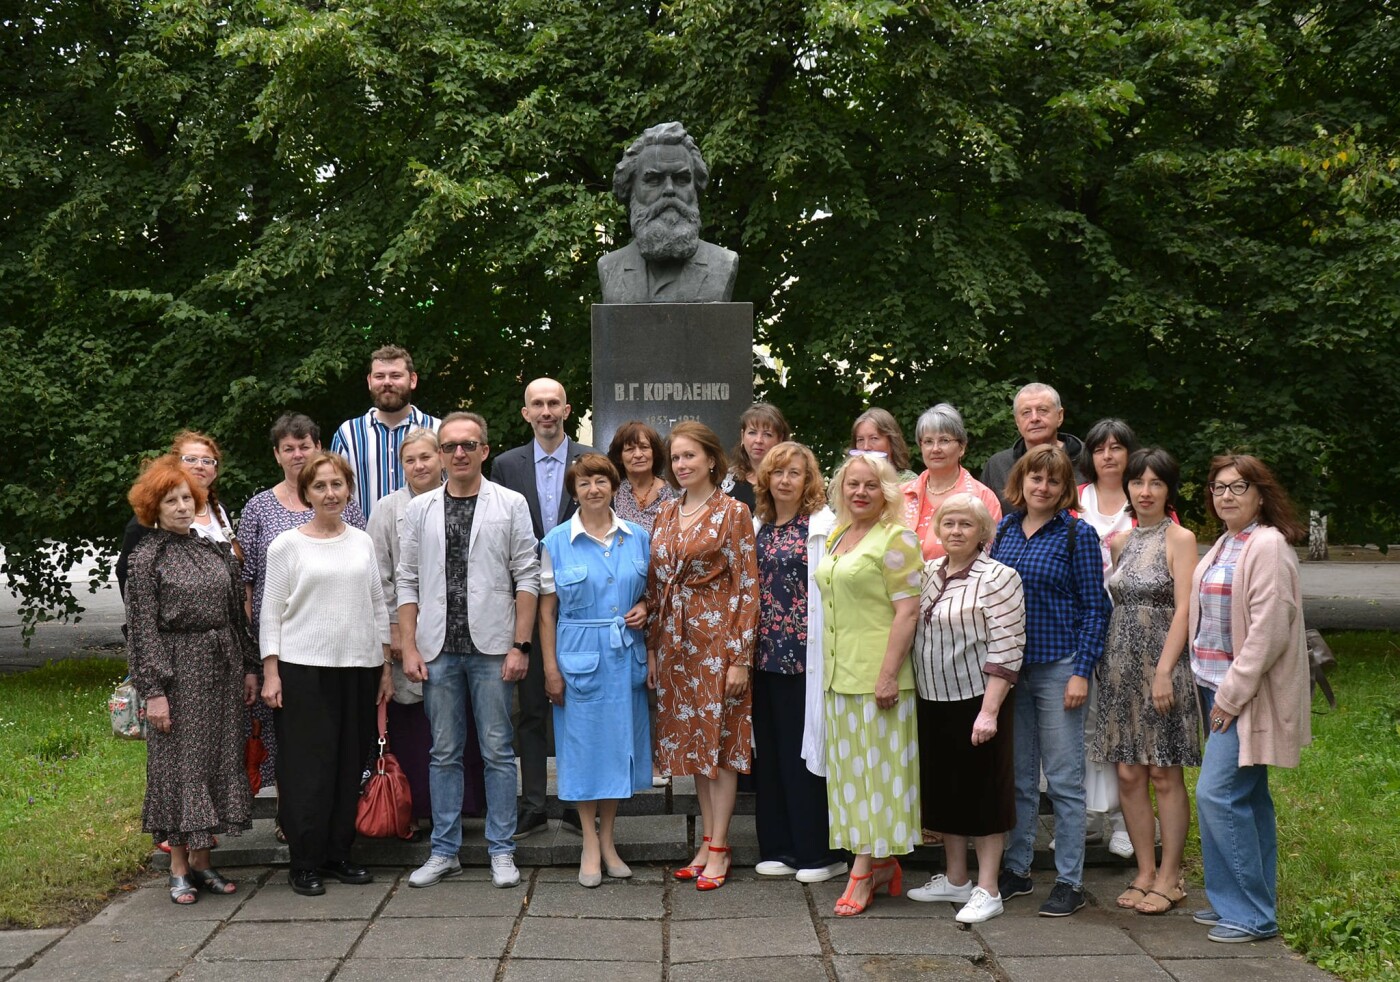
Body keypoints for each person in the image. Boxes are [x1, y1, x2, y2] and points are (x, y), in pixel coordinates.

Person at [397, 412, 541, 890]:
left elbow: (528, 576)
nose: (459, 453)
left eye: (469, 444)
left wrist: (520, 646)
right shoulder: (418, 509)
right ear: (439, 454)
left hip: (494, 649)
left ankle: (502, 850)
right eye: (450, 446)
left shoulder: (511, 503)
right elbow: (407, 581)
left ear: (484, 450)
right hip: (437, 650)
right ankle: (445, 850)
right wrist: (409, 644)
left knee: (499, 751)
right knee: (444, 753)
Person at [124, 456, 259, 904]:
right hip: (177, 672)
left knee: (217, 760)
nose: (182, 507)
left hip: (220, 670)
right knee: (181, 766)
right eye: (171, 500)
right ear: (153, 507)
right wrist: (154, 692)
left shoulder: (211, 547)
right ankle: (178, 867)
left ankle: (203, 863)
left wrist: (248, 667)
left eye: (187, 498)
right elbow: (142, 629)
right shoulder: (147, 557)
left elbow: (233, 617)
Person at [258, 453, 393, 897]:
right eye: (320, 487)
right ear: (307, 493)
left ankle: (339, 854)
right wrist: (271, 672)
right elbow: (270, 613)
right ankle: (305, 861)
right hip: (302, 671)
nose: (330, 493)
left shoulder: (361, 541)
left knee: (347, 764)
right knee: (306, 769)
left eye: (337, 485)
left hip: (358, 667)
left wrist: (385, 664)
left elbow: (377, 604)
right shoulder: (286, 546)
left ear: (349, 489)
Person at [1188, 454, 1309, 943]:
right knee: (1247, 799)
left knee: (1216, 794)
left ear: (1261, 494)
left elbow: (1268, 631)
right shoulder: (1225, 543)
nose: (1226, 496)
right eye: (1218, 488)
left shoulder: (1268, 545)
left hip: (1240, 693)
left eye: (1238, 487)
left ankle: (1253, 915)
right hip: (1211, 682)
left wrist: (1232, 695)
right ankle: (1232, 903)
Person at [989, 445, 1111, 918]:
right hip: (1012, 670)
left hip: (1060, 666)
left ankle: (1069, 880)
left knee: (1063, 779)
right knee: (1018, 778)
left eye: (1053, 481)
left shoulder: (1077, 535)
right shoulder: (1004, 529)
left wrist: (1082, 671)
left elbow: (1094, 608)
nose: (1042, 487)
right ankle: (1017, 870)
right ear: (1021, 482)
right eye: (1035, 479)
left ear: (1065, 490)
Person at [647, 421, 759, 891]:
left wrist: (740, 658)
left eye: (690, 456)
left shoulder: (733, 512)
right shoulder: (666, 513)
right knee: (695, 746)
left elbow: (748, 586)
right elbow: (655, 585)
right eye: (675, 458)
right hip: (676, 642)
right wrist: (654, 645)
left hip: (718, 642)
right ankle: (708, 839)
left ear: (712, 459)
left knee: (721, 745)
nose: (681, 465)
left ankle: (719, 847)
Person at [1091, 448, 1201, 914]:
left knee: (1164, 772)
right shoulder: (1120, 542)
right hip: (1120, 667)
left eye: (1156, 483)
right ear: (1129, 488)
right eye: (1139, 482)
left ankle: (1171, 875)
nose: (1146, 491)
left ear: (1168, 489)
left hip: (1164, 668)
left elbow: (1184, 608)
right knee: (1129, 774)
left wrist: (1163, 671)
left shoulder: (1182, 539)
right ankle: (1144, 870)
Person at [907, 494, 1025, 924]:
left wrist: (989, 711)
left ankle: (988, 887)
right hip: (932, 698)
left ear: (983, 532)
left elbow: (1008, 648)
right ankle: (956, 878)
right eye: (949, 523)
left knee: (985, 794)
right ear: (937, 529)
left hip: (977, 698)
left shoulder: (999, 577)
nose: (956, 531)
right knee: (945, 790)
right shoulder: (927, 574)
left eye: (966, 525)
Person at [814, 452, 923, 916]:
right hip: (840, 675)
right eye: (852, 484)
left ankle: (862, 871)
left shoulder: (897, 538)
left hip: (878, 678)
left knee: (876, 778)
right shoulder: (839, 536)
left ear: (887, 493)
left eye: (871, 486)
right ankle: (880, 864)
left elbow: (908, 610)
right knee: (851, 779)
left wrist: (886, 675)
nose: (860, 492)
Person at [488, 377, 596, 838]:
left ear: (567, 409)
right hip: (526, 599)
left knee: (578, 708)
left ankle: (577, 802)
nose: (546, 411)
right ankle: (533, 802)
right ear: (525, 412)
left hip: (580, 602)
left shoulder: (589, 461)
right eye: (538, 404)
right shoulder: (506, 465)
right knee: (530, 707)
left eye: (554, 403)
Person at [238, 413, 367, 799]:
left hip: (338, 646)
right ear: (277, 455)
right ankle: (288, 812)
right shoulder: (259, 508)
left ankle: (329, 812)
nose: (297, 455)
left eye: (305, 446)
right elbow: (245, 581)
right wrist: (257, 647)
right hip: (279, 644)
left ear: (318, 448)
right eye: (288, 449)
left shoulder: (345, 505)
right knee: (284, 733)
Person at [538, 454, 652, 887]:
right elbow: (546, 614)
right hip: (579, 658)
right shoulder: (556, 541)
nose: (593, 489)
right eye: (584, 483)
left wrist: (643, 606)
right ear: (574, 491)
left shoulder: (637, 537)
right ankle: (589, 841)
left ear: (614, 486)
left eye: (601, 480)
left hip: (625, 656)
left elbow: (650, 594)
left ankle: (610, 841)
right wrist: (550, 668)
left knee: (616, 749)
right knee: (583, 751)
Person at [366, 429, 486, 830]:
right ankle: (413, 809)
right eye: (410, 460)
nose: (419, 466)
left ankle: (463, 808)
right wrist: (396, 629)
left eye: (425, 457)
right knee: (415, 725)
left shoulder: (464, 500)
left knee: (459, 724)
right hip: (407, 636)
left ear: (440, 458)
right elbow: (379, 576)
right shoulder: (387, 509)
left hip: (460, 634)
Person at [749, 442, 847, 884]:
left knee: (807, 753)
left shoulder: (826, 526)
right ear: (765, 479)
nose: (785, 480)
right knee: (768, 754)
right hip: (762, 655)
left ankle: (818, 852)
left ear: (809, 481)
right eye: (777, 472)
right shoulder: (758, 524)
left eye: (795, 473)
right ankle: (779, 847)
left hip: (805, 658)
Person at [1075, 418, 1141, 860]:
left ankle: (1124, 821)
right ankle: (1084, 819)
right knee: (1083, 723)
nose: (1108, 455)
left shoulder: (1145, 498)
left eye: (1117, 447)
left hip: (1131, 624)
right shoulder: (1076, 499)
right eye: (1100, 448)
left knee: (1124, 723)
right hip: (1081, 622)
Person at [598, 121, 739, 304]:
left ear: (695, 188)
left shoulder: (723, 263)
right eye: (654, 180)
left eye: (682, 179)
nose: (669, 190)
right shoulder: (609, 267)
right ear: (631, 189)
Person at [117, 430, 242, 598]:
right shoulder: (149, 520)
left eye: (207, 461)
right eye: (190, 459)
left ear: (215, 471)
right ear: (174, 465)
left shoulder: (221, 511)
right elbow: (128, 577)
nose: (199, 465)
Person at [330, 344, 441, 518]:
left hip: (427, 539)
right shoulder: (348, 434)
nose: (387, 382)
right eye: (379, 376)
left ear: (412, 380)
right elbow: (332, 490)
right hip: (365, 541)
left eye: (395, 375)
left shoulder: (438, 430)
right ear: (369, 381)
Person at [901, 403, 1002, 561]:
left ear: (961, 447)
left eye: (944, 440)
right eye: (928, 441)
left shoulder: (982, 498)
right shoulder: (900, 495)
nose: (935, 449)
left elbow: (991, 558)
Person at [980, 383, 1088, 514]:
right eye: (1026, 413)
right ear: (1017, 422)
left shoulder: (1089, 459)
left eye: (1042, 410)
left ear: (1059, 416)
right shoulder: (997, 466)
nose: (1034, 418)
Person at [608, 420, 677, 533]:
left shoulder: (675, 492)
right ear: (619, 457)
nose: (638, 455)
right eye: (630, 449)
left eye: (644, 447)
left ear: (654, 453)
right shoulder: (612, 493)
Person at [722, 402, 790, 509]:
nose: (758, 440)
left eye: (767, 434)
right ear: (742, 436)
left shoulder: (788, 481)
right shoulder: (724, 480)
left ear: (780, 439)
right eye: (752, 432)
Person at [849, 407, 916, 481]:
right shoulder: (846, 480)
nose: (866, 447)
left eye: (874, 438)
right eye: (860, 440)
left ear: (891, 441)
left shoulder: (911, 483)